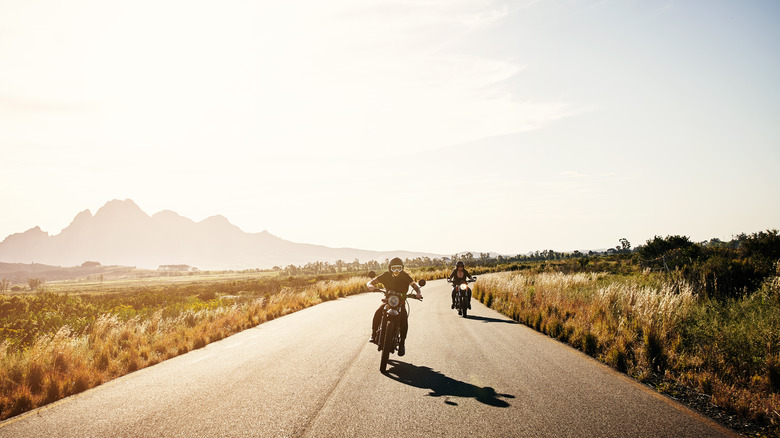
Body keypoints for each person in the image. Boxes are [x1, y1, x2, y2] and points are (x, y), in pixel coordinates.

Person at [367, 257, 422, 357]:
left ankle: (402, 343)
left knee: (404, 319)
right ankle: (374, 333)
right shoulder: (386, 275)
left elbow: (415, 286)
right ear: (390, 268)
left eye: (399, 268)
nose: (396, 271)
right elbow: (372, 282)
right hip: (389, 301)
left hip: (400, 302)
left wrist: (418, 293)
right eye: (394, 268)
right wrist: (370, 285)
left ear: (402, 268)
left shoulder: (405, 276)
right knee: (379, 311)